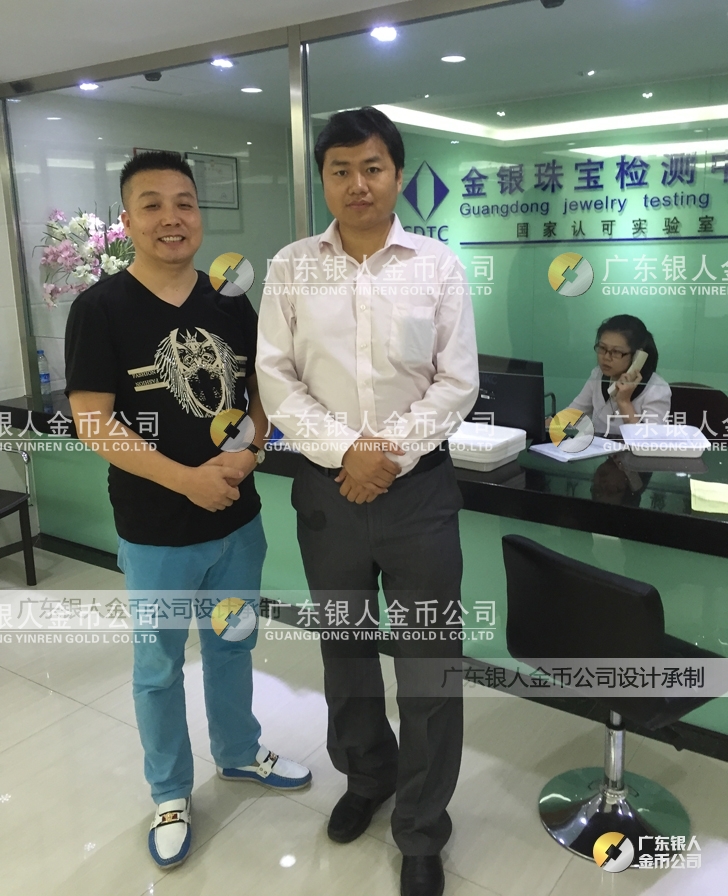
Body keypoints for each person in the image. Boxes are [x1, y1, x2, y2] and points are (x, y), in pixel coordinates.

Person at [64, 151, 311, 870]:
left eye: (184, 203)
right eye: (152, 205)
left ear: (200, 215)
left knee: (233, 645)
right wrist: (186, 480)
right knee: (158, 667)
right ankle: (170, 792)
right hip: (156, 533)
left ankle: (238, 752)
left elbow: (262, 393)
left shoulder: (229, 300)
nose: (171, 218)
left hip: (236, 520)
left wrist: (250, 453)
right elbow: (93, 421)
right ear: (127, 220)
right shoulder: (100, 308)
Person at [256, 108, 479, 896]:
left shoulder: (437, 266)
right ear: (323, 179)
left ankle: (422, 824)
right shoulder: (291, 267)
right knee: (345, 652)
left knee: (429, 663)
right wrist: (346, 452)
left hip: (418, 496)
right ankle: (368, 777)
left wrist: (384, 454)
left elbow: (457, 381)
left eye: (373, 167)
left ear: (397, 174)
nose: (358, 183)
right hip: (328, 493)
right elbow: (276, 378)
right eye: (341, 169)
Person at [569, 314, 671, 436]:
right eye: (602, 348)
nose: (606, 357)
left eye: (616, 352)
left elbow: (650, 442)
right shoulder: (598, 375)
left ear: (637, 356)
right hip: (597, 447)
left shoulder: (656, 389)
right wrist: (551, 424)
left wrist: (624, 402)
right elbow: (572, 415)